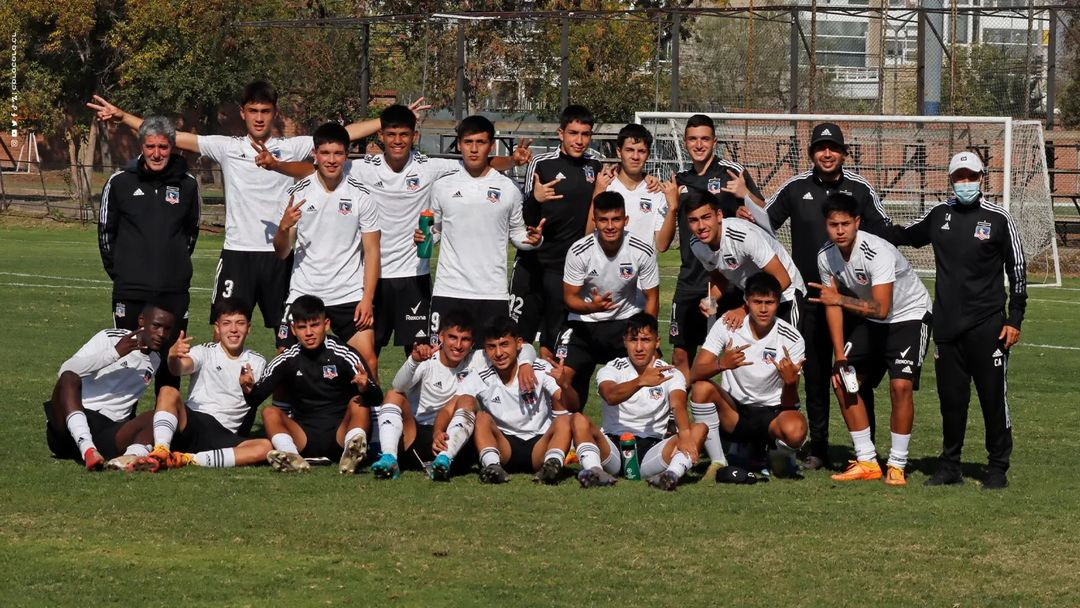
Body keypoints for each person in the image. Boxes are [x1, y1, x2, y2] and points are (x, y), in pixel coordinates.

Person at [87, 82, 401, 334]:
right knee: (224, 332)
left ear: (275, 113)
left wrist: (391, 120)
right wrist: (123, 116)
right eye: (253, 111)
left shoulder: (292, 147)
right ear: (243, 113)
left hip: (280, 257)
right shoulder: (228, 147)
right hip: (237, 255)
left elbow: (345, 134)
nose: (260, 117)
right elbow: (171, 136)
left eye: (265, 111)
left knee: (289, 337)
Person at [261, 104, 530, 355]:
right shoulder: (361, 167)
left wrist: (513, 161)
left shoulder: (430, 167)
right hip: (370, 279)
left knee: (422, 355)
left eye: (404, 134)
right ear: (381, 136)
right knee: (365, 355)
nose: (397, 140)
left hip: (413, 276)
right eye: (391, 134)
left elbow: (477, 161)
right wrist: (276, 165)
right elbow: (316, 163)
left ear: (414, 136)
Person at [754, 122, 894, 470]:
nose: (827, 154)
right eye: (820, 148)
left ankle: (864, 448)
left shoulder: (860, 190)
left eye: (833, 148)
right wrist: (745, 199)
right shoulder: (795, 188)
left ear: (844, 152)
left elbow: (885, 234)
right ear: (812, 153)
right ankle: (818, 449)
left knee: (854, 373)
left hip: (854, 301)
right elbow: (764, 222)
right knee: (815, 373)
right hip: (811, 300)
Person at [892, 151, 1027, 490]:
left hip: (988, 326)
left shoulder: (999, 218)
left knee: (993, 399)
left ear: (983, 178)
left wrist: (1015, 318)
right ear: (950, 180)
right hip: (948, 327)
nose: (965, 182)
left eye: (972, 176)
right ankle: (949, 465)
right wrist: (864, 221)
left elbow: (1018, 270)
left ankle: (997, 468)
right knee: (951, 402)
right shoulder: (939, 215)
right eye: (959, 177)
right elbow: (906, 235)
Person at [810, 194, 932, 486]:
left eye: (845, 224)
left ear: (857, 223)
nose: (839, 230)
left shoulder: (877, 251)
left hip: (908, 315)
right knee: (842, 379)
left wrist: (838, 298)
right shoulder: (825, 256)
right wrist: (839, 357)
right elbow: (833, 306)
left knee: (900, 385)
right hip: (871, 320)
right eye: (833, 224)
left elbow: (882, 307)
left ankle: (897, 465)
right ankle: (866, 461)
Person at [375, 309, 546, 480]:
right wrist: (413, 361)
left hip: (455, 439)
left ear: (472, 343)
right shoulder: (426, 358)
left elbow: (525, 347)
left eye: (465, 339)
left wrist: (525, 364)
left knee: (467, 400)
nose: (458, 345)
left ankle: (445, 459)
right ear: (441, 337)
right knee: (393, 395)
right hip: (417, 435)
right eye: (452, 337)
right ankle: (389, 458)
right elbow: (398, 385)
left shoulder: (477, 359)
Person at [97, 116, 200, 391]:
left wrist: (173, 266)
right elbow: (106, 234)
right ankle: (120, 431)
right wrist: (122, 271)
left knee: (169, 366)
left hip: (172, 292)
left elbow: (191, 233)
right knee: (126, 364)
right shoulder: (120, 182)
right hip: (130, 292)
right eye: (150, 146)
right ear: (141, 146)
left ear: (173, 147)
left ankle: (165, 432)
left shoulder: (188, 185)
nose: (157, 153)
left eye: (163, 147)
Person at [272, 122, 381, 377]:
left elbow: (373, 251)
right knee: (284, 364)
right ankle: (286, 416)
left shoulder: (361, 195)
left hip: (348, 294)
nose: (331, 160)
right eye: (325, 153)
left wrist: (367, 299)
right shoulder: (296, 194)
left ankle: (371, 417)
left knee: (368, 362)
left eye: (338, 153)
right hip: (304, 292)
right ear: (315, 154)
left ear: (346, 155)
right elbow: (281, 252)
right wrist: (283, 227)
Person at [669, 114, 765, 389]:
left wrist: (746, 194)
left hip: (726, 279)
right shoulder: (680, 179)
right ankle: (678, 421)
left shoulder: (730, 172)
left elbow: (763, 210)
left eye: (705, 139)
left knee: (726, 353)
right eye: (693, 139)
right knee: (680, 353)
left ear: (714, 141)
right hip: (690, 278)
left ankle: (723, 417)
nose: (699, 144)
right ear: (685, 142)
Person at [426, 115, 544, 334]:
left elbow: (518, 234)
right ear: (459, 144)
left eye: (480, 143)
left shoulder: (508, 188)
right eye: (468, 142)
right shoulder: (442, 185)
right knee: (443, 361)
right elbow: (435, 231)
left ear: (491, 146)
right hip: (449, 290)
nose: (473, 149)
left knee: (490, 363)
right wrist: (425, 237)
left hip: (492, 293)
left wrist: (534, 240)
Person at [125, 298, 272, 472]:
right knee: (167, 391)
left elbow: (258, 398)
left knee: (265, 447)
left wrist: (250, 389)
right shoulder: (205, 351)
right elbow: (179, 368)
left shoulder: (257, 361)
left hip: (225, 434)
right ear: (217, 328)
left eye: (240, 323)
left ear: (249, 328)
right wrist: (172, 357)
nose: (233, 329)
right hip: (195, 422)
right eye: (227, 323)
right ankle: (161, 451)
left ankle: (186, 459)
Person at [243, 295, 383, 473]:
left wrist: (366, 387)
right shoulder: (287, 359)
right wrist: (247, 389)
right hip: (303, 436)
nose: (309, 333)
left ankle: (351, 454)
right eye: (302, 327)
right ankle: (291, 456)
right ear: (294, 330)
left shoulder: (344, 353)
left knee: (360, 401)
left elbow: (377, 397)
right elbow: (255, 399)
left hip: (341, 433)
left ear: (326, 324)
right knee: (269, 412)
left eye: (314, 325)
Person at [569, 313, 708, 491]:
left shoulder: (670, 373)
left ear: (657, 342)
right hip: (612, 447)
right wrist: (640, 381)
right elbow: (610, 396)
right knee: (578, 419)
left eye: (646, 340)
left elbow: (678, 404)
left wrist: (686, 435)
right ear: (624, 342)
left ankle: (670, 475)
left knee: (699, 429)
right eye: (633, 340)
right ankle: (595, 471)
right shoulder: (612, 368)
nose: (639, 347)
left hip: (652, 449)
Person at [689, 273, 808, 479]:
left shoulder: (792, 338)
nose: (763, 309)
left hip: (772, 412)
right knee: (701, 388)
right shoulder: (728, 325)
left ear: (778, 302)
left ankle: (776, 455)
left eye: (769, 302)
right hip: (735, 412)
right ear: (746, 301)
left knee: (796, 431)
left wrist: (790, 383)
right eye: (757, 302)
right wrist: (721, 364)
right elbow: (694, 373)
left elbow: (789, 403)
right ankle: (718, 461)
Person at [511, 105, 605, 359]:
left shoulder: (595, 167)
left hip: (568, 270)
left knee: (554, 345)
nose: (579, 140)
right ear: (560, 133)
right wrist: (536, 198)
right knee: (516, 340)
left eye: (585, 134)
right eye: (573, 133)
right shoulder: (543, 164)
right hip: (533, 264)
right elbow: (524, 219)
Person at [44, 305, 176, 470]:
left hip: (106, 434)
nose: (161, 334)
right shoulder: (110, 338)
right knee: (69, 377)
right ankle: (87, 449)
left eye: (167, 329)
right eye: (156, 326)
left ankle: (131, 458)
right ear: (142, 321)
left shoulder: (156, 360)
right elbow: (66, 369)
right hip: (69, 427)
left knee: (157, 416)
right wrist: (114, 353)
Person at [561, 191, 660, 407]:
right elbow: (569, 298)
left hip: (625, 323)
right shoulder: (579, 251)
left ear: (625, 220)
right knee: (563, 382)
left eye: (616, 219)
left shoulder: (641, 250)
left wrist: (646, 334)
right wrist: (591, 307)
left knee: (654, 371)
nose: (610, 226)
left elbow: (652, 297)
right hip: (583, 324)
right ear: (594, 221)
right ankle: (569, 433)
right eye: (603, 220)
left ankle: (653, 430)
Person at [453, 316, 576, 484]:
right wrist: (440, 431)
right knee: (481, 417)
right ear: (485, 349)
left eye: (504, 344)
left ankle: (551, 465)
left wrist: (566, 385)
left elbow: (572, 405)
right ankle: (492, 467)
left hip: (540, 445)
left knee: (563, 420)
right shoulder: (480, 375)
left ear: (518, 344)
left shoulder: (539, 368)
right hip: (504, 446)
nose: (498, 353)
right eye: (491, 347)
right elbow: (454, 405)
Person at [685, 190, 806, 328]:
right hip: (755, 302)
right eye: (693, 220)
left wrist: (744, 310)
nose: (701, 226)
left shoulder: (743, 236)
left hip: (786, 296)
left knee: (785, 350)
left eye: (706, 217)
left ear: (719, 215)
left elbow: (783, 279)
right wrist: (710, 300)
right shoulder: (696, 245)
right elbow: (719, 277)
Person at [590, 123, 678, 251]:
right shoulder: (604, 186)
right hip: (608, 269)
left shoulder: (656, 191)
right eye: (630, 150)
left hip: (644, 270)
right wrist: (598, 192)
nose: (635, 157)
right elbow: (589, 234)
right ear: (619, 152)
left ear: (648, 154)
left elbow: (662, 245)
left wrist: (673, 208)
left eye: (641, 151)